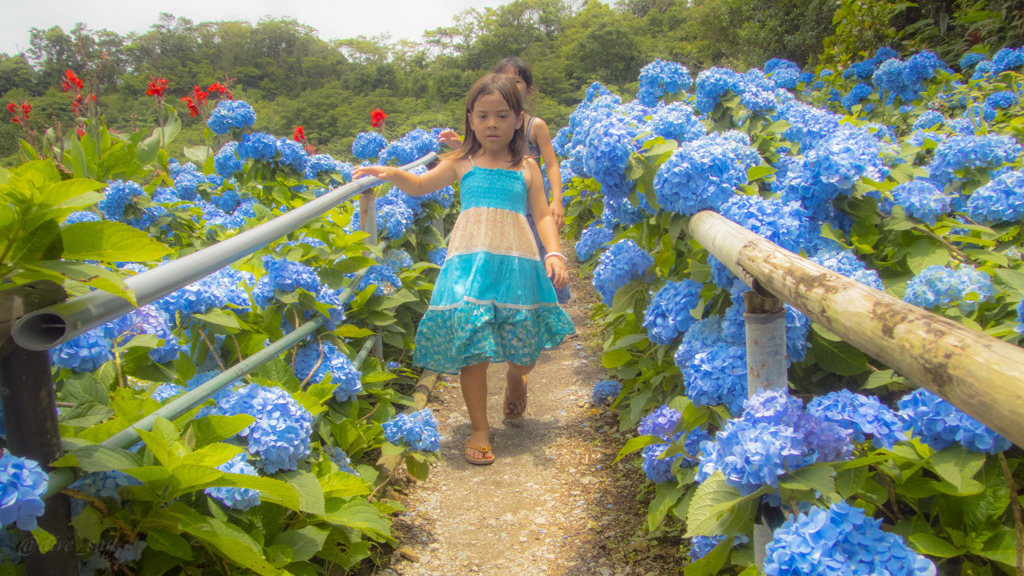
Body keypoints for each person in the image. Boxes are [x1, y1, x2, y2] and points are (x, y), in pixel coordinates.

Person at [353, 74, 576, 466]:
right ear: (470, 120)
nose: (492, 124)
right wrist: (391, 173)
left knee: (523, 353)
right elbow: (422, 185)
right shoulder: (460, 162)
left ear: (518, 120)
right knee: (474, 347)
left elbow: (541, 214)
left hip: (517, 266)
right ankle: (479, 429)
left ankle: (514, 379)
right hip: (470, 265)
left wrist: (554, 253)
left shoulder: (526, 166)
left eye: (502, 116)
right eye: (483, 115)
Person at [439, 56, 570, 304]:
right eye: (504, 79)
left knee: (532, 259)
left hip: (527, 202)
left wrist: (557, 200)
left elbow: (552, 164)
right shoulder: (491, 124)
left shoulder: (535, 125)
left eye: (516, 81)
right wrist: (460, 147)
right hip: (501, 209)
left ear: (528, 90)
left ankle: (538, 303)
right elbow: (479, 158)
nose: (510, 85)